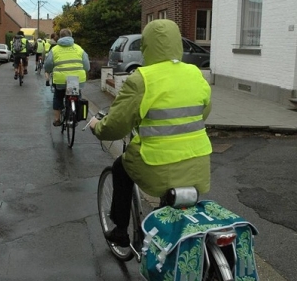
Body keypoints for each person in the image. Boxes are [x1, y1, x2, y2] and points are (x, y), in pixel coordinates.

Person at [89, 19, 212, 247]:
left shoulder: (142, 79)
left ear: (146, 46)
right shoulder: (195, 73)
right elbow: (203, 112)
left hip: (157, 164)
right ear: (177, 43)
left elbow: (117, 125)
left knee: (120, 167)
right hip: (198, 162)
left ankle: (120, 231)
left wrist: (99, 127)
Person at [44, 28, 90, 126]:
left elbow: (48, 65)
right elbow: (87, 66)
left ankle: (57, 119)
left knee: (58, 96)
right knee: (77, 96)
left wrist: (49, 71)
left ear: (60, 37)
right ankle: (75, 115)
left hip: (61, 79)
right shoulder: (79, 48)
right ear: (71, 36)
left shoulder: (55, 49)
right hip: (76, 79)